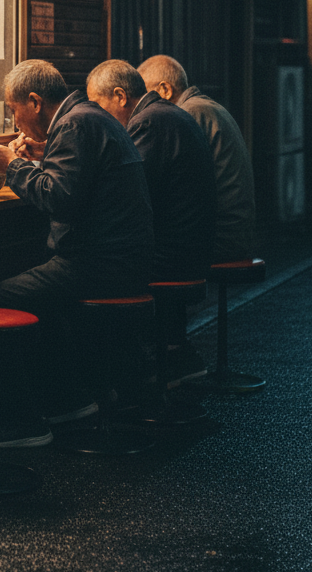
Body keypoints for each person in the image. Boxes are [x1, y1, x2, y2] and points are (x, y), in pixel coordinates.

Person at [0, 59, 154, 447]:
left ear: (35, 101)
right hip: (123, 259)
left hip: (99, 264)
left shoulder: (75, 124)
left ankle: (22, 423)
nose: (15, 121)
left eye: (14, 110)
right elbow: (74, 181)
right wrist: (37, 158)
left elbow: (60, 199)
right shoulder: (85, 117)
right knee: (44, 300)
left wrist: (13, 166)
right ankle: (69, 402)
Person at [87, 59, 216, 384]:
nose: (99, 119)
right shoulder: (168, 114)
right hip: (190, 248)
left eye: (100, 108)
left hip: (171, 257)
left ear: (120, 96)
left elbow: (125, 189)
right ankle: (169, 356)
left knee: (86, 274)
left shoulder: (148, 122)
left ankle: (121, 379)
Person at [138, 55, 256, 264]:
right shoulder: (205, 106)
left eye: (145, 94)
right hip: (236, 234)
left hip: (219, 240)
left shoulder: (187, 113)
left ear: (165, 90)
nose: (142, 105)